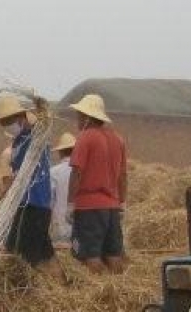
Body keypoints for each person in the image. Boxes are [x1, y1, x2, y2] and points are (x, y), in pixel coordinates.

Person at [0, 95, 57, 267]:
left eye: (7, 121)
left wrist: (40, 105)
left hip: (33, 203)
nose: (5, 125)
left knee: (20, 257)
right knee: (45, 256)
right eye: (3, 122)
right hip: (23, 203)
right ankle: (64, 287)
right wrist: (4, 201)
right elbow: (14, 176)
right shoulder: (18, 141)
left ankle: (31, 290)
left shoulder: (36, 135)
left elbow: (47, 121)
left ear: (20, 117)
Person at [66, 94, 129, 274]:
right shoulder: (118, 139)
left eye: (79, 115)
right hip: (112, 207)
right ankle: (117, 290)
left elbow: (76, 172)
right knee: (113, 253)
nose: (77, 119)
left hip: (89, 207)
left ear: (87, 117)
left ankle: (100, 293)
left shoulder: (85, 138)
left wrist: (70, 204)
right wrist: (122, 202)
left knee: (90, 255)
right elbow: (123, 176)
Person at [49, 133, 77, 243]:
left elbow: (50, 202)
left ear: (60, 152)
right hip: (82, 228)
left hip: (60, 227)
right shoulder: (85, 171)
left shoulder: (53, 172)